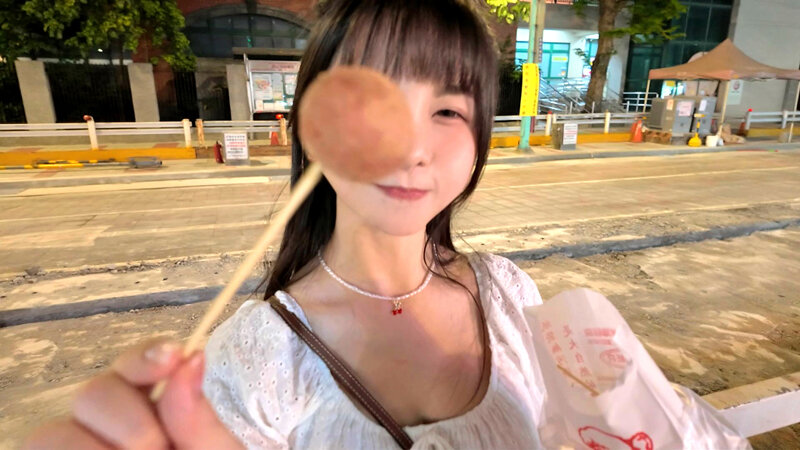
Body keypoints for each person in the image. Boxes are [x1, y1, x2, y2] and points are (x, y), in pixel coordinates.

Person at [25, 0, 547, 448]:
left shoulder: (510, 297)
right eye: (372, 104)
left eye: (448, 111)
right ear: (312, 128)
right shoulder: (254, 356)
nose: (411, 150)